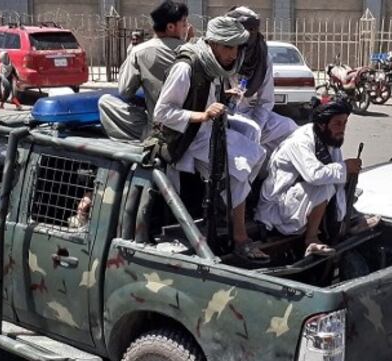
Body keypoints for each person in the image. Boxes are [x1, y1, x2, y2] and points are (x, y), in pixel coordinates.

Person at [154, 16, 269, 263]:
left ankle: (228, 201)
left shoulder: (215, 65)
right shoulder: (186, 68)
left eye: (237, 47)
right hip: (188, 139)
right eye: (228, 46)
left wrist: (223, 96)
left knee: (256, 149)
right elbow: (162, 113)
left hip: (208, 132)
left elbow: (207, 97)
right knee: (238, 171)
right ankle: (240, 239)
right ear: (213, 43)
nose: (233, 53)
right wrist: (203, 114)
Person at [255, 101, 377, 256]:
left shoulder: (330, 140)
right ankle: (311, 239)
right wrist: (345, 167)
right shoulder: (300, 142)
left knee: (340, 182)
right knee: (324, 185)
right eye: (337, 124)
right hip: (278, 207)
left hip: (299, 199)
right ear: (322, 125)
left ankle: (345, 222)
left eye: (345, 123)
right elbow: (314, 175)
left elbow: (336, 178)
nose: (342, 129)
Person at [98, 0, 190, 142]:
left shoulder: (140, 52)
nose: (187, 28)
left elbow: (125, 91)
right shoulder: (194, 51)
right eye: (184, 24)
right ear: (171, 27)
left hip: (161, 130)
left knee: (105, 102)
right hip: (193, 126)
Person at [223, 6, 297, 153]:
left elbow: (266, 101)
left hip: (251, 115)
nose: (249, 34)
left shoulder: (262, 58)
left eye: (252, 30)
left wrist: (255, 126)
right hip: (223, 114)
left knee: (290, 127)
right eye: (245, 30)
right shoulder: (222, 53)